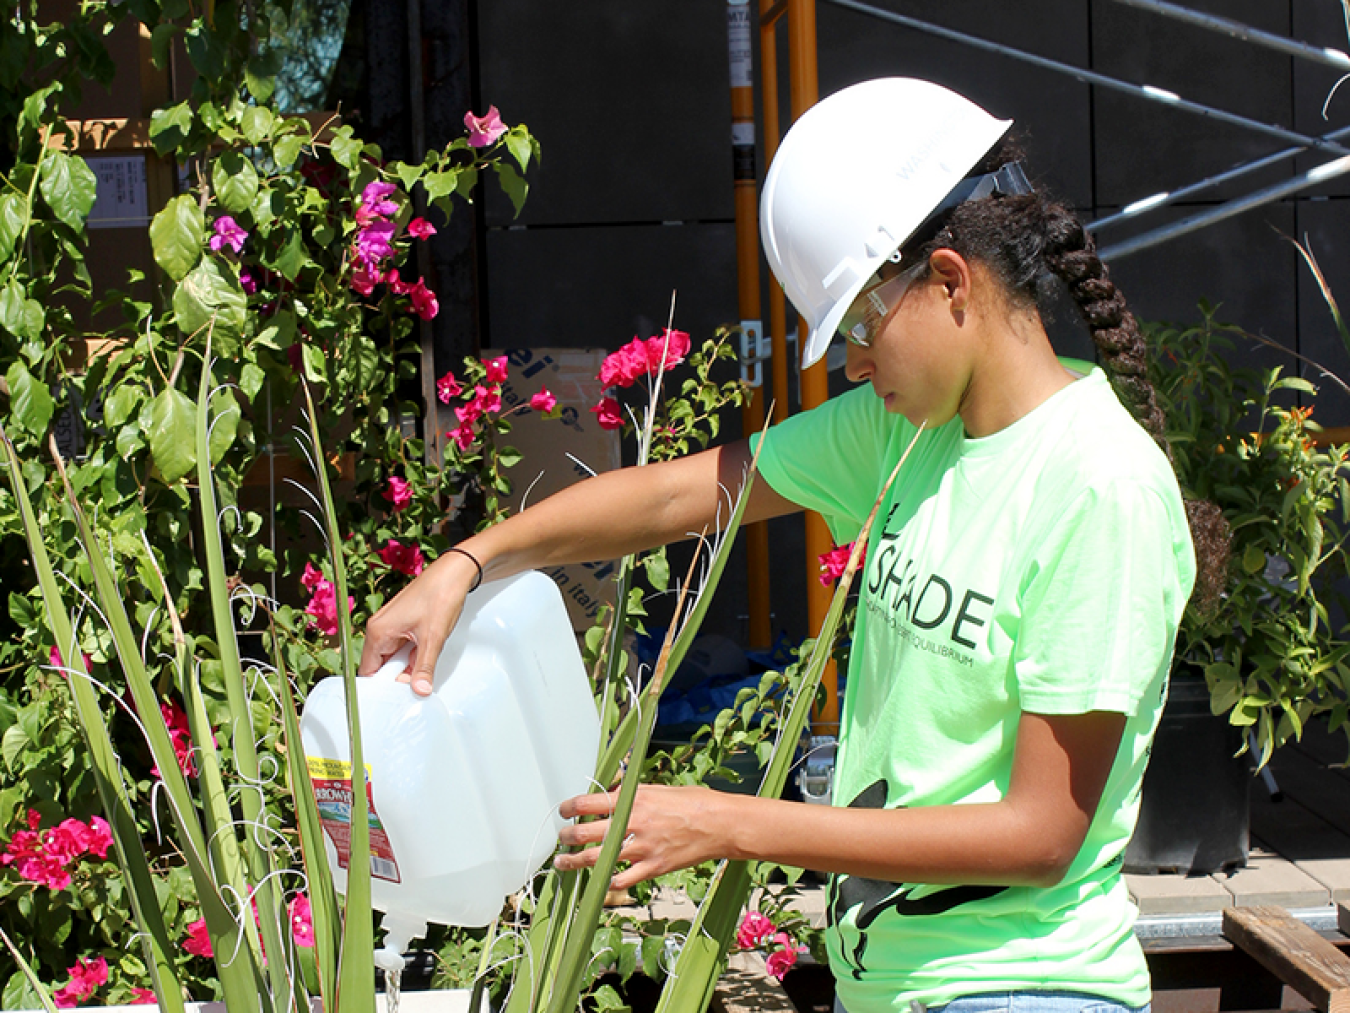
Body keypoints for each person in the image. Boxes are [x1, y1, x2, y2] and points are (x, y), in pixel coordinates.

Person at [360, 78, 1222, 1013]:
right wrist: (465, 563)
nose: (854, 361)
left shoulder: (1099, 487)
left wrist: (723, 820)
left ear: (948, 280)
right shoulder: (911, 436)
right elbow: (668, 496)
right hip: (892, 986)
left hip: (1019, 986)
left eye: (859, 324)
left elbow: (1041, 831)